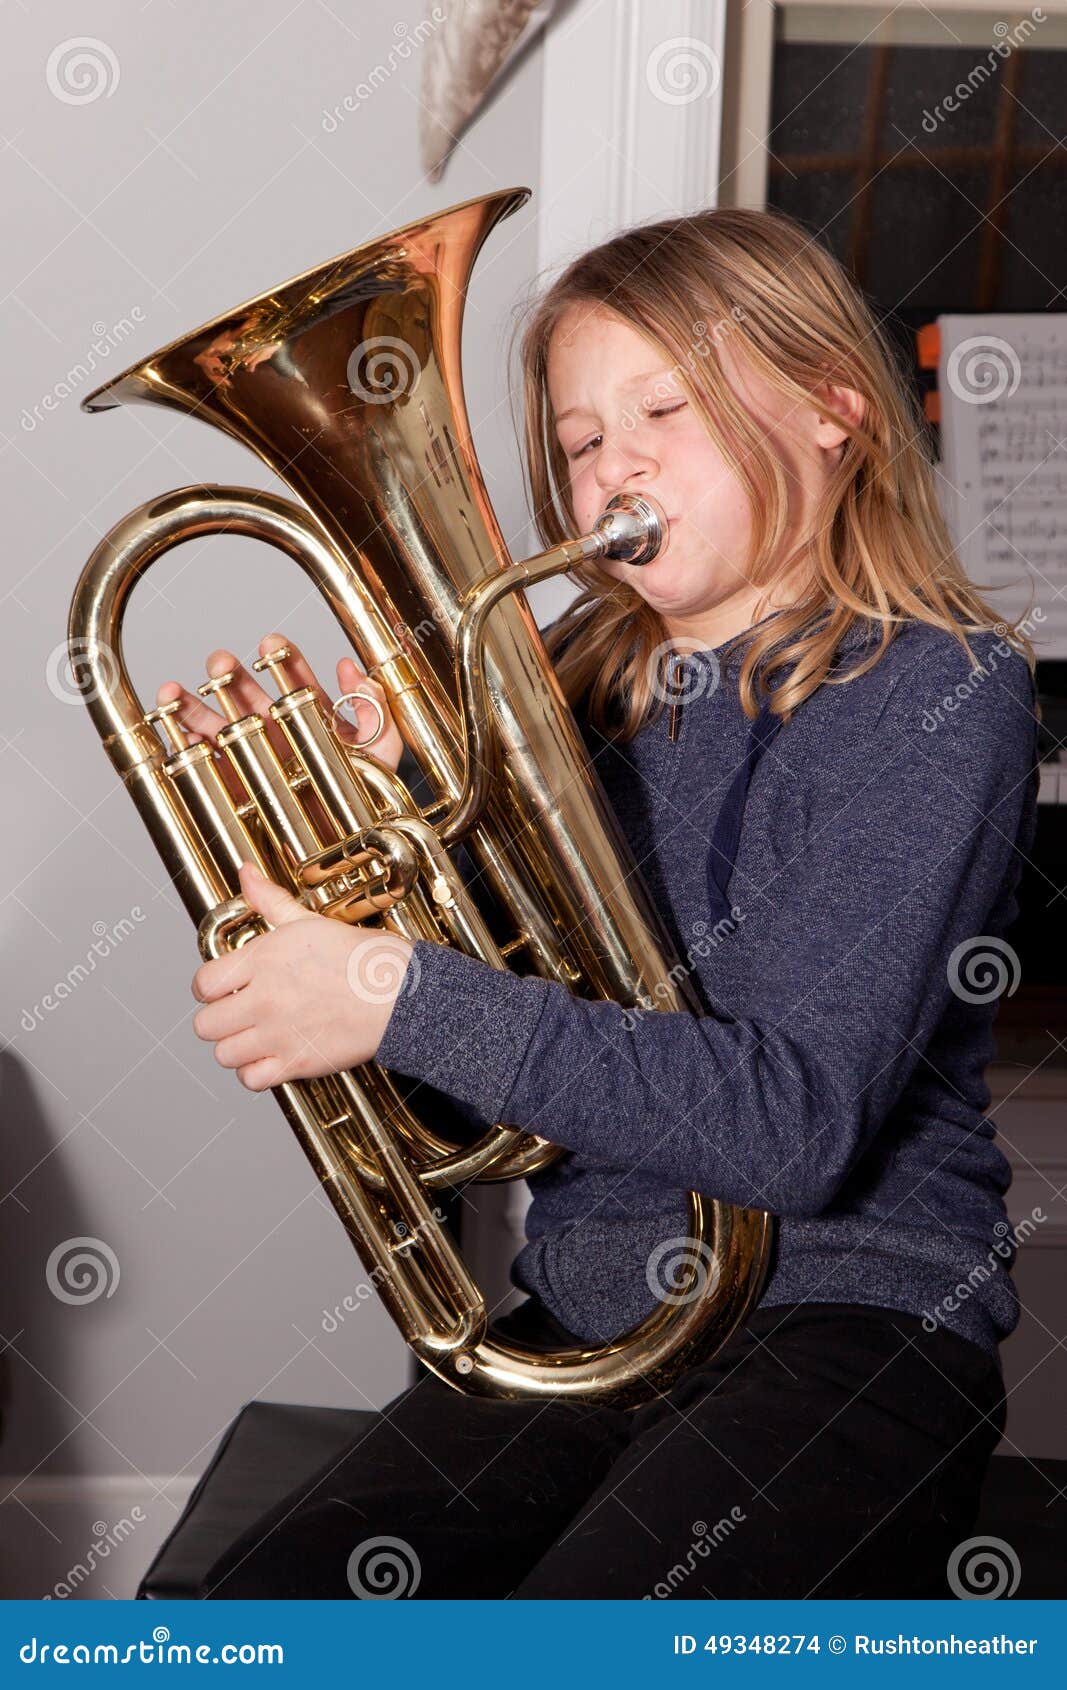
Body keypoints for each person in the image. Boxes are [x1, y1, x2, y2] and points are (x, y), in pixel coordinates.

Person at [157, 205, 1040, 1600]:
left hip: (851, 1312)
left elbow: (792, 1124)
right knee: (247, 1620)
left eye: (664, 409)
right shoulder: (551, 699)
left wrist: (398, 990)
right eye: (578, 441)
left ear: (835, 412)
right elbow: (475, 1129)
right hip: (586, 1315)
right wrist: (367, 889)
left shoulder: (938, 692)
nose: (612, 465)